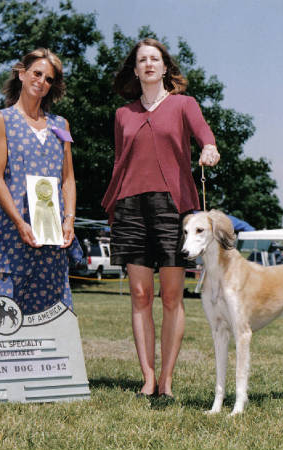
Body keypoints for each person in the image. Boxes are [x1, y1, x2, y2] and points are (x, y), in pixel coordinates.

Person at [101, 38, 219, 400]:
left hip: (174, 207)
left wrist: (209, 149)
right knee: (139, 294)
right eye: (142, 60)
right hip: (131, 207)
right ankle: (147, 378)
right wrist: (113, 206)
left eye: (155, 59)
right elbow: (122, 161)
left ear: (165, 67)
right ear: (135, 71)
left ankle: (166, 381)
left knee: (170, 297)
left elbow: (205, 137)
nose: (149, 64)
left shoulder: (184, 105)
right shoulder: (124, 114)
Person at [0, 48, 78, 317]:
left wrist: (69, 220)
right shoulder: (2, 119)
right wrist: (20, 222)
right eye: (37, 73)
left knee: (48, 319)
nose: (41, 81)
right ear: (22, 74)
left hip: (51, 234)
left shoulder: (61, 124)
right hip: (11, 231)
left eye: (49, 79)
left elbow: (68, 179)